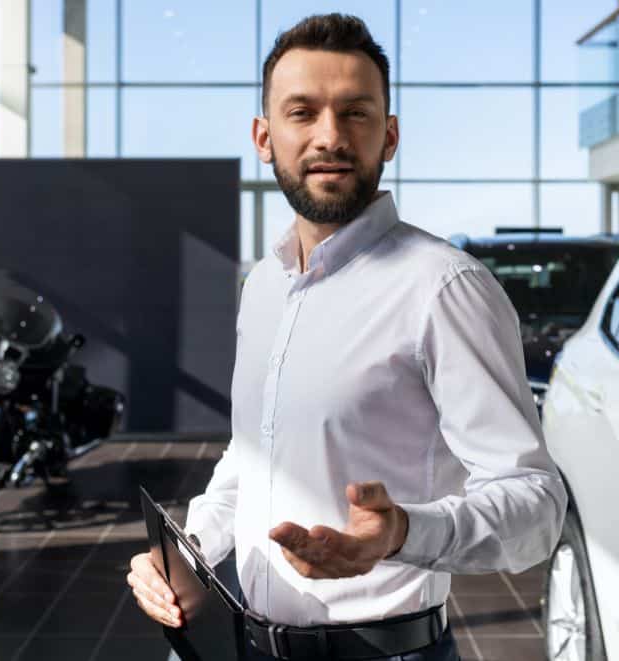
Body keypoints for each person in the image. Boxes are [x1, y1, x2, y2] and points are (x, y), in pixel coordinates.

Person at [127, 13, 566, 661]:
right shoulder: (265, 286)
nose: (329, 136)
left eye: (355, 113)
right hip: (236, 637)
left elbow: (537, 506)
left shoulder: (444, 287)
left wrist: (402, 533)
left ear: (388, 136)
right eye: (302, 112)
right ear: (264, 136)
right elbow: (251, 455)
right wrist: (184, 549)